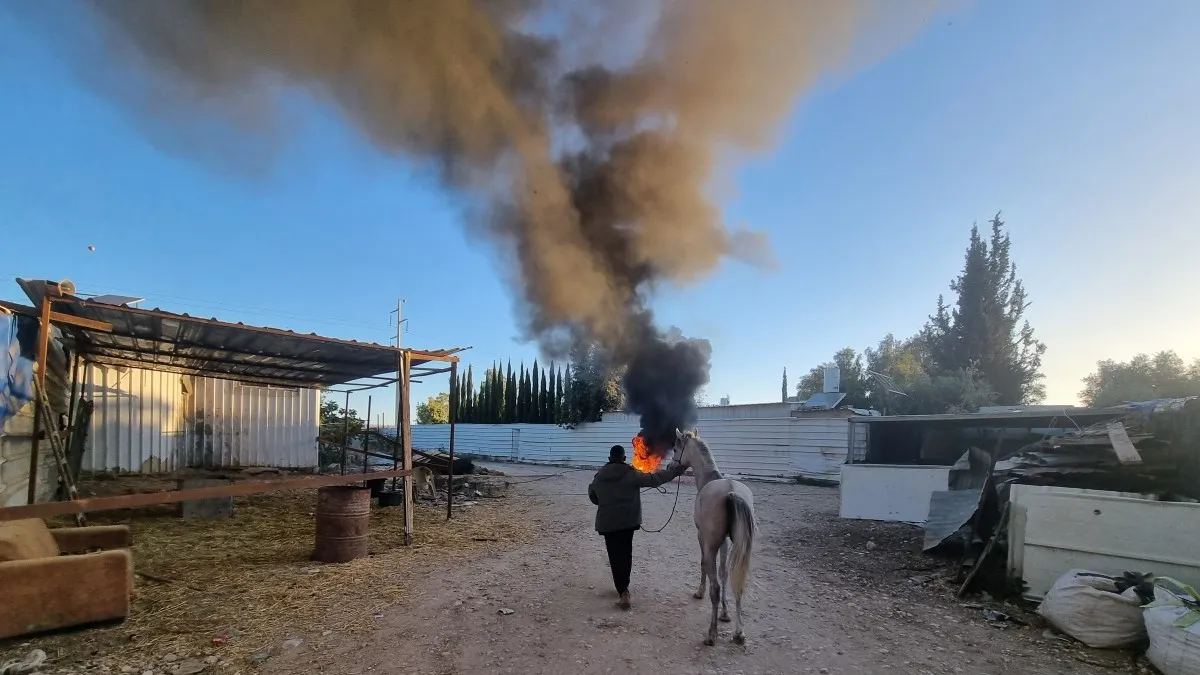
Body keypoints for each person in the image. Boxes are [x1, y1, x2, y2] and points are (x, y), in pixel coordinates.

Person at [588, 444, 685, 610]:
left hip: (608, 524)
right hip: (627, 523)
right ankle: (624, 590)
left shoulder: (599, 477)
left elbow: (593, 496)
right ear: (624, 458)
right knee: (625, 554)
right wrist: (676, 471)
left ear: (609, 458)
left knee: (614, 555)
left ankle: (621, 588)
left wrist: (607, 501)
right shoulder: (631, 475)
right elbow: (656, 480)